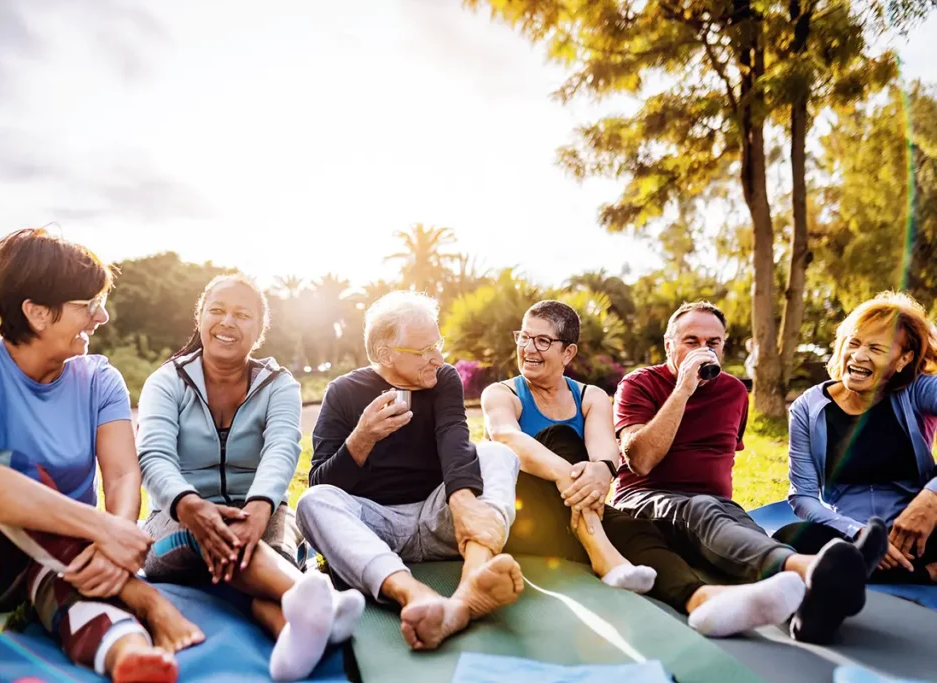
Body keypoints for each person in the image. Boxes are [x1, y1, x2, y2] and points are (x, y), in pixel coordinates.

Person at [0, 228, 200, 683]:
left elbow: (124, 474)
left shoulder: (100, 379)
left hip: (52, 562)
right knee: (13, 468)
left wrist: (116, 540)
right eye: (88, 305)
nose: (101, 316)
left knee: (82, 586)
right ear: (37, 313)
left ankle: (129, 657)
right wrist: (101, 529)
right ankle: (149, 601)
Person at [483, 300, 807, 637]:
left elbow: (606, 454)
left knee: (637, 530)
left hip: (572, 518)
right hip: (525, 521)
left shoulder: (590, 396)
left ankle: (701, 599)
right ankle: (600, 550)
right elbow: (507, 437)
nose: (528, 348)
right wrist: (576, 474)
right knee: (561, 438)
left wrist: (601, 470)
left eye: (542, 341)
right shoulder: (503, 393)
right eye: (524, 337)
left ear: (568, 353)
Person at [613, 301, 889, 644]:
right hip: (644, 502)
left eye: (713, 343)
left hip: (714, 507)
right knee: (704, 510)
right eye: (691, 341)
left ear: (723, 346)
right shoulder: (638, 384)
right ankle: (809, 570)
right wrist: (683, 389)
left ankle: (810, 614)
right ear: (669, 344)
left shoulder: (733, 391)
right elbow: (640, 460)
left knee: (743, 529)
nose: (703, 349)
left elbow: (722, 458)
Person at [137, 275, 365, 681]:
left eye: (243, 315)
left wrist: (261, 507)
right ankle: (322, 603)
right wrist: (191, 507)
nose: (228, 322)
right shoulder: (167, 381)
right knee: (248, 554)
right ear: (201, 317)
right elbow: (153, 454)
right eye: (217, 311)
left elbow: (282, 448)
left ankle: (290, 645)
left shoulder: (279, 385)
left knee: (267, 561)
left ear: (258, 330)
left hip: (258, 512)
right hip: (176, 520)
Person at [296, 291, 524, 652]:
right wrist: (362, 437)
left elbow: (454, 438)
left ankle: (472, 582)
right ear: (386, 354)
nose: (438, 358)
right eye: (425, 350)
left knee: (497, 453)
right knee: (312, 502)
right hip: (377, 527)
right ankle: (413, 594)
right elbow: (321, 483)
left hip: (440, 518)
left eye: (439, 345)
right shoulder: (342, 393)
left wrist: (462, 503)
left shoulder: (443, 379)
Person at [778, 292, 937, 585]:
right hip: (850, 536)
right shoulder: (807, 408)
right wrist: (858, 532)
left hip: (921, 534)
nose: (859, 355)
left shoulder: (917, 391)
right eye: (853, 342)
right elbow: (802, 496)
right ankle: (922, 574)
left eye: (876, 348)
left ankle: (868, 571)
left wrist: (932, 498)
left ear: (904, 358)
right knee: (789, 539)